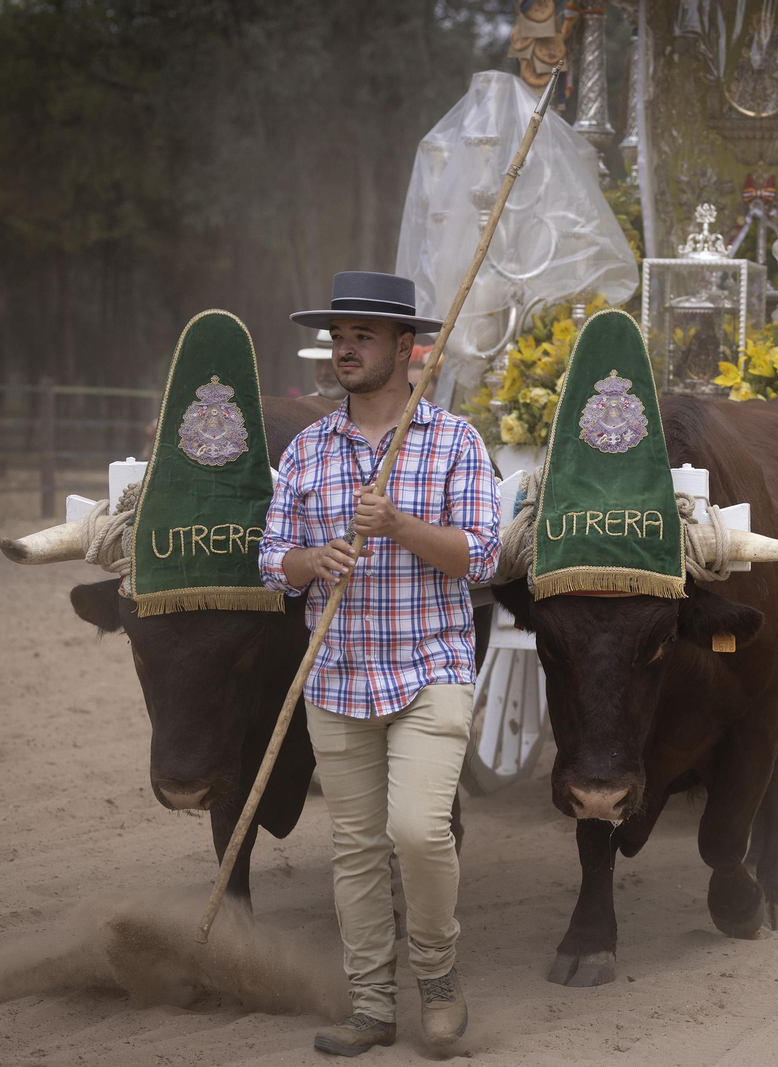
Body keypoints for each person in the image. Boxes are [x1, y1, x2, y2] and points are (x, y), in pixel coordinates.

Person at [259, 271, 499, 1055]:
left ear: (407, 347)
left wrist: (397, 523)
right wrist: (308, 560)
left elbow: (480, 556)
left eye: (362, 335)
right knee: (357, 847)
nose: (344, 349)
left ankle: (437, 977)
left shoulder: (455, 442)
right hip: (335, 676)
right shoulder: (306, 451)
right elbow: (271, 561)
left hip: (430, 666)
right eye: (338, 336)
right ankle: (370, 1004)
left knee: (420, 831)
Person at [298, 328, 349, 404]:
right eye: (320, 363)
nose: (324, 371)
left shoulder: (365, 411)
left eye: (331, 363)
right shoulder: (302, 406)